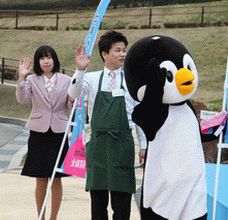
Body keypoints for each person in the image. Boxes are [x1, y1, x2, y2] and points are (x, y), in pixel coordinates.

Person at [68, 30, 147, 220]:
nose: (123, 54)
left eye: (124, 50)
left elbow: (139, 116)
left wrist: (144, 145)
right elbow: (74, 92)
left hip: (122, 145)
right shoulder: (92, 78)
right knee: (98, 203)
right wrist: (80, 70)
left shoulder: (131, 79)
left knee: (122, 205)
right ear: (104, 54)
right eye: (117, 50)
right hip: (98, 146)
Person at [16, 45, 74, 220]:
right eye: (42, 58)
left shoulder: (67, 80)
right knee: (40, 178)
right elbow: (22, 99)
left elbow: (71, 107)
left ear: (54, 59)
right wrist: (21, 78)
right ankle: (40, 217)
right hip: (38, 132)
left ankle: (53, 218)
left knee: (56, 178)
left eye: (49, 57)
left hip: (59, 132)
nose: (46, 61)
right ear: (37, 62)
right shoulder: (32, 80)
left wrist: (73, 99)